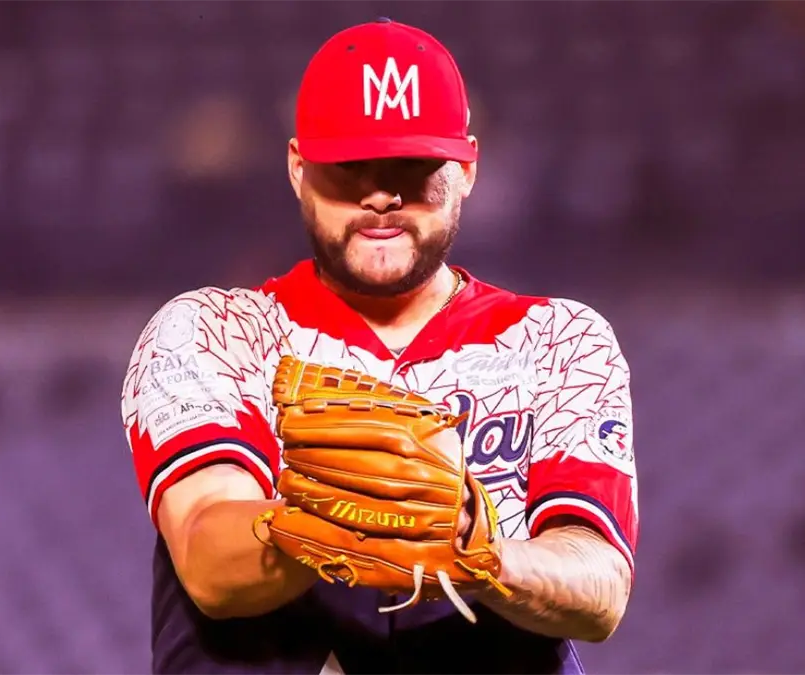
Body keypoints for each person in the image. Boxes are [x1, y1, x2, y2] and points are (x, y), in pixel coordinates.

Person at [120, 17, 638, 675]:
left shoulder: (559, 341)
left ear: (467, 168)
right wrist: (347, 516)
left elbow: (598, 587)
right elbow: (209, 560)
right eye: (349, 165)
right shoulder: (215, 332)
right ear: (298, 168)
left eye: (413, 167)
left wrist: (474, 550)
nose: (381, 195)